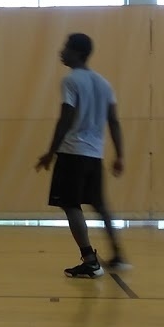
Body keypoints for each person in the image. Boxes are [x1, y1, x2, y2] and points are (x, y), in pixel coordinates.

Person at [35, 33, 130, 278]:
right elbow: (114, 121)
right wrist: (120, 154)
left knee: (70, 204)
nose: (61, 51)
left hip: (73, 152)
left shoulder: (71, 81)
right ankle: (118, 254)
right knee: (100, 205)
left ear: (77, 52)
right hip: (94, 155)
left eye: (66, 47)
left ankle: (90, 260)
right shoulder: (103, 83)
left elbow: (66, 117)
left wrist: (50, 152)